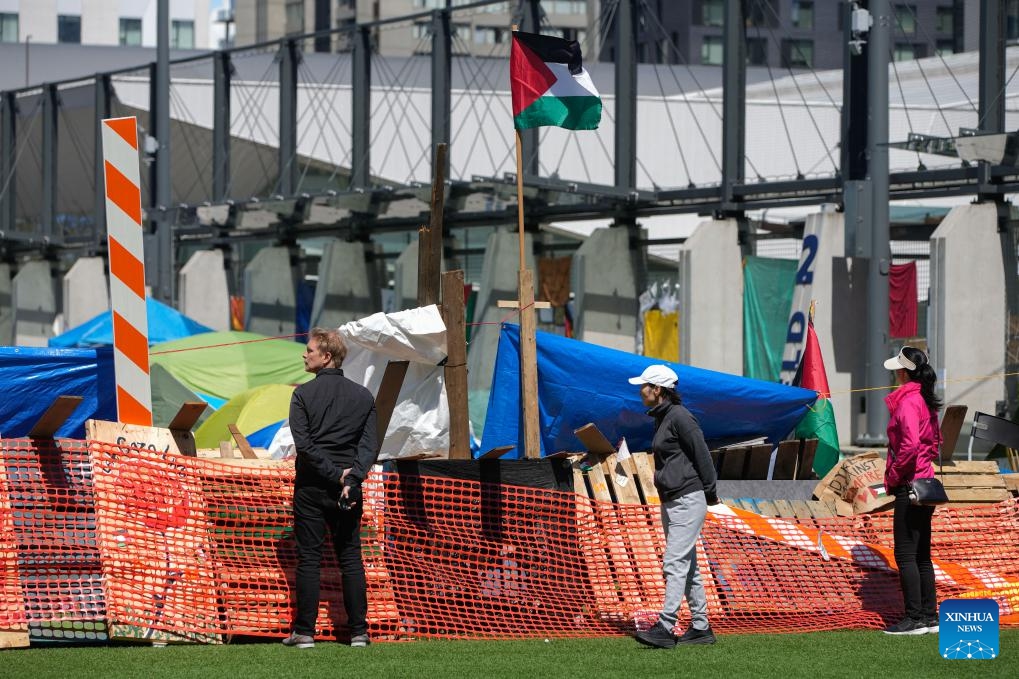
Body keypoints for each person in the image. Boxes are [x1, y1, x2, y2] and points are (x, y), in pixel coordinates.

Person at [282, 327, 378, 649]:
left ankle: (305, 632)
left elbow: (305, 447)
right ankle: (359, 633)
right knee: (350, 557)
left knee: (309, 558)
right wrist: (351, 478)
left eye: (309, 350)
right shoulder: (363, 396)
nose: (304, 354)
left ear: (326, 356)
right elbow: (369, 446)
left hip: (312, 485)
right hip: (348, 488)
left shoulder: (302, 395)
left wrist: (336, 475)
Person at [629, 364, 719, 649]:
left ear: (658, 390)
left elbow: (702, 455)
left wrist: (710, 493)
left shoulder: (680, 416)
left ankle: (666, 627)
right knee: (687, 566)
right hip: (675, 500)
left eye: (644, 385)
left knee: (674, 563)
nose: (640, 390)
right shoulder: (664, 417)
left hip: (688, 499)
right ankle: (701, 628)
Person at [882, 346, 942, 636]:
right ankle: (929, 617)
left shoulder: (907, 401)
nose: (895, 373)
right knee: (921, 555)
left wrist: (894, 477)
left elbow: (909, 446)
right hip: (926, 483)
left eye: (897, 369)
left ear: (904, 372)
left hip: (910, 485)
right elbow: (933, 444)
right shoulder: (927, 401)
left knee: (906, 554)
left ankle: (914, 618)